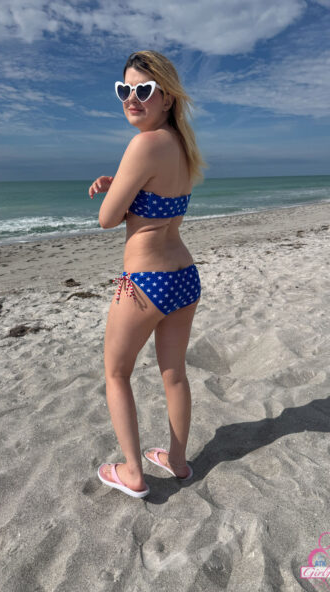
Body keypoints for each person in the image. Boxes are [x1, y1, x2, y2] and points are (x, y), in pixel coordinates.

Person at [89, 50, 207, 498]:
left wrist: (113, 194)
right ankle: (177, 460)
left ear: (167, 97)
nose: (131, 99)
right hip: (184, 276)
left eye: (143, 90)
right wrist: (118, 184)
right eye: (124, 90)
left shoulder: (143, 144)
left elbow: (107, 219)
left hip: (145, 281)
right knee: (174, 374)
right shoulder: (183, 147)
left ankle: (133, 472)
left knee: (116, 373)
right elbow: (153, 201)